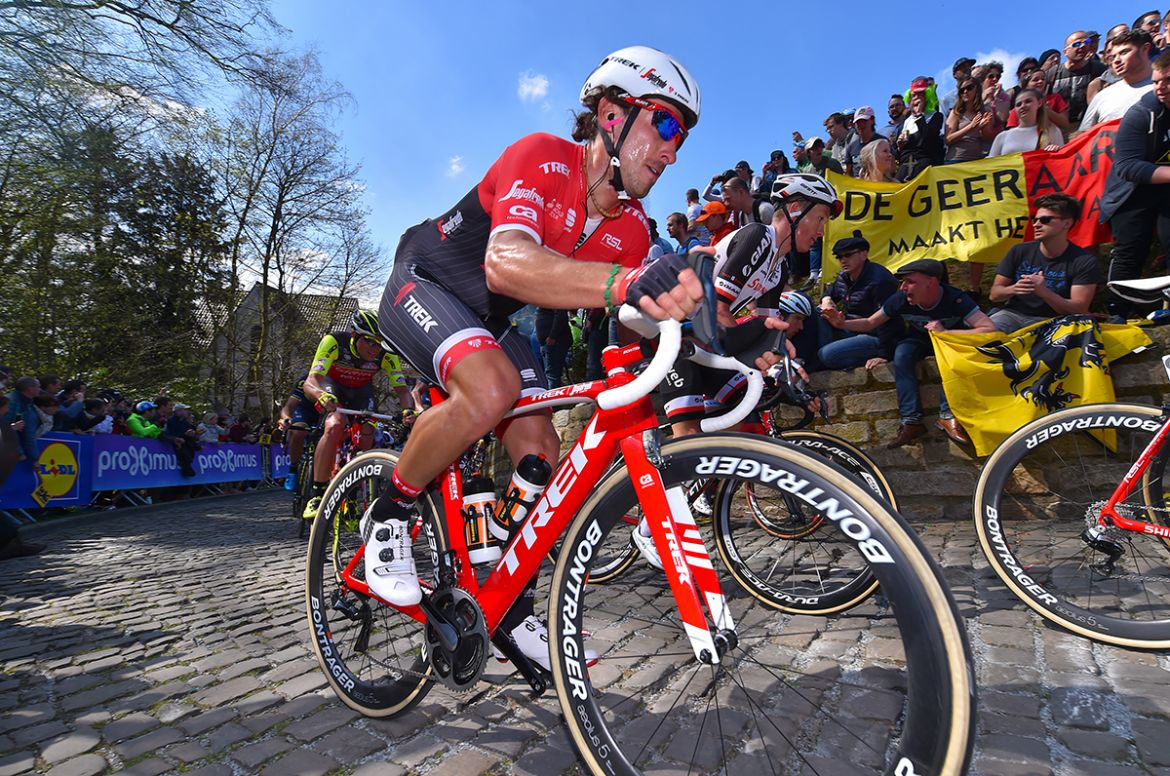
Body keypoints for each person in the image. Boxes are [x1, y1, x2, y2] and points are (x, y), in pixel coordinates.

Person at [365, 46, 704, 670]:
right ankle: (388, 512)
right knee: (491, 389)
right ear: (610, 114)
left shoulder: (632, 227)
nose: (672, 150)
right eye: (665, 124)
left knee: (540, 449)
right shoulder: (543, 156)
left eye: (681, 136)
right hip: (427, 281)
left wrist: (708, 333)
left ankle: (500, 593)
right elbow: (506, 262)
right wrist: (624, 284)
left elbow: (633, 313)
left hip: (495, 319)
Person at [823, 258, 995, 448]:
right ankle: (911, 421)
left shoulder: (956, 299)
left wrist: (947, 333)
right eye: (902, 282)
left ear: (932, 282)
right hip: (919, 340)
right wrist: (841, 324)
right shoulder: (901, 299)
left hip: (948, 343)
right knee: (903, 353)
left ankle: (948, 416)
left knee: (950, 356)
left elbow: (989, 328)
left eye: (910, 281)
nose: (904, 287)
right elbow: (870, 323)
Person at [299, 309, 413, 519]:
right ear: (354, 335)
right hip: (332, 386)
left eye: (380, 343)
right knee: (335, 425)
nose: (375, 349)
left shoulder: (386, 354)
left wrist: (408, 411)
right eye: (370, 342)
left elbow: (403, 391)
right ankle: (318, 493)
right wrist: (320, 396)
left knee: (368, 428)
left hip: (361, 391)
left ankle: (354, 488)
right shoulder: (333, 342)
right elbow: (311, 381)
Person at [1100, 50, 1170, 320]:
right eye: (1155, 81)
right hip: (1131, 192)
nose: (1160, 87)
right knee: (1130, 249)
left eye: (1167, 80)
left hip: (1165, 188)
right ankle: (1118, 312)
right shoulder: (1141, 113)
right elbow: (1127, 167)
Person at [987, 193, 1102, 332]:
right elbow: (994, 295)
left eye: (1045, 220)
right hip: (1012, 315)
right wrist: (1014, 289)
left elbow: (1079, 309)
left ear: (1067, 223)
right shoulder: (1019, 251)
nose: (1036, 225)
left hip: (1056, 321)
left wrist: (1044, 292)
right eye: (1034, 220)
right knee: (983, 336)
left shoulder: (1084, 261)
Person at [817, 233, 901, 370]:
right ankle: (823, 356)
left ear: (863, 255)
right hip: (851, 328)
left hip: (875, 336)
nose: (843, 260)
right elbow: (830, 293)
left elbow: (888, 320)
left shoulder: (880, 280)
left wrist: (884, 354)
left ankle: (827, 358)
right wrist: (826, 301)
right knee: (817, 314)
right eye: (839, 257)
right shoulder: (844, 277)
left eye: (848, 255)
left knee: (827, 355)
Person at [1078, 30, 1155, 131]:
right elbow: (1084, 136)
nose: (1116, 60)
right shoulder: (1102, 97)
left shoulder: (1163, 87)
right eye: (1113, 56)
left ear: (1145, 49)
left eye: (1124, 52)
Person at [1050, 30, 1109, 129]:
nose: (1082, 46)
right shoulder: (1053, 73)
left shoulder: (1099, 69)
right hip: (1058, 130)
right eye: (1077, 44)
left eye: (1086, 42)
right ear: (1065, 52)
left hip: (1089, 127)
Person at [988, 89, 1065, 156]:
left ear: (1039, 103)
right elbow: (990, 165)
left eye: (1028, 101)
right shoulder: (1002, 137)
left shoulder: (1053, 131)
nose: (1023, 106)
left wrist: (1056, 152)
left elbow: (1062, 163)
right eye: (1018, 104)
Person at [897, 81, 945, 180]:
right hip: (906, 167)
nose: (916, 98)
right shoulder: (907, 121)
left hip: (926, 167)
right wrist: (900, 146)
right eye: (914, 95)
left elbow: (928, 138)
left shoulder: (936, 116)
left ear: (927, 96)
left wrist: (919, 115)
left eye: (921, 94)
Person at [944, 76, 995, 163]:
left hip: (977, 161)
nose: (965, 92)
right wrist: (971, 126)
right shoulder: (956, 112)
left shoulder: (985, 111)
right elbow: (948, 139)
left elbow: (989, 139)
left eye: (969, 88)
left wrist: (982, 128)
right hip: (956, 161)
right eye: (962, 90)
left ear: (977, 89)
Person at [1008, 68, 1071, 132]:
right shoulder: (1018, 109)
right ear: (1026, 85)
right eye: (1035, 80)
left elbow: (1065, 124)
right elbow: (1012, 136)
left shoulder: (1055, 98)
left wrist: (1047, 111)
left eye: (1043, 79)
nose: (1040, 81)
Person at [844, 106, 885, 177]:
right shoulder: (850, 147)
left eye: (864, 121)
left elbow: (891, 167)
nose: (861, 125)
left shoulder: (883, 143)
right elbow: (848, 173)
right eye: (858, 122)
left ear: (872, 120)